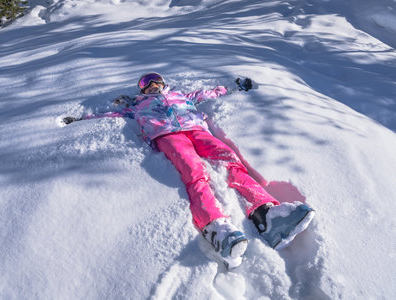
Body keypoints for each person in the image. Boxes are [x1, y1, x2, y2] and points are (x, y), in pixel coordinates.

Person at [64, 72, 315, 269]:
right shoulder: (137, 106)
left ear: (163, 84)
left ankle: (266, 215)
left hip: (197, 130)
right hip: (167, 135)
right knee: (194, 172)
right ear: (141, 89)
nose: (151, 84)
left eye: (155, 81)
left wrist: (236, 86)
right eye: (145, 83)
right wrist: (78, 120)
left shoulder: (183, 96)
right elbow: (110, 113)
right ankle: (216, 228)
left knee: (230, 160)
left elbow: (210, 92)